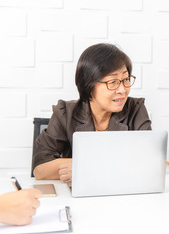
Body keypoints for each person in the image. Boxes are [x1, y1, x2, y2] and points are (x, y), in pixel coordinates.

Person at [32, 43, 151, 182]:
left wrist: (86, 168)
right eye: (112, 82)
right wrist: (116, 166)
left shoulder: (136, 109)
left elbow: (148, 164)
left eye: (126, 80)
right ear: (89, 85)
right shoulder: (64, 112)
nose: (123, 90)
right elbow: (40, 169)